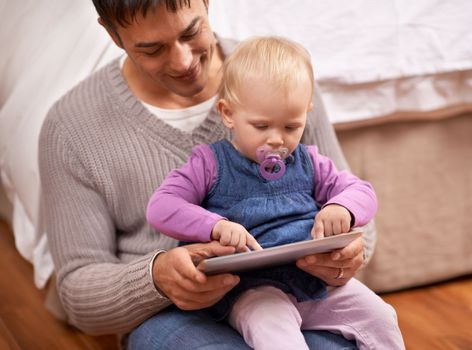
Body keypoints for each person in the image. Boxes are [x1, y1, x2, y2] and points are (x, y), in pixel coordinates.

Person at [38, 1, 378, 348]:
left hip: (301, 287)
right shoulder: (70, 127)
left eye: (191, 32)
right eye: (152, 49)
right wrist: (156, 279)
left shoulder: (285, 78)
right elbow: (79, 295)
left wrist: (346, 251)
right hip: (174, 313)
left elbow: (352, 207)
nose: (183, 62)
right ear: (112, 34)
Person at [146, 36, 404, 350]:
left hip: (316, 284)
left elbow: (362, 191)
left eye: (291, 126)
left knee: (380, 316)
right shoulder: (210, 164)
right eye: (261, 125)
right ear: (228, 113)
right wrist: (214, 226)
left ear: (307, 114)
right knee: (275, 332)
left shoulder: (310, 161)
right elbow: (161, 207)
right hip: (252, 290)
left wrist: (342, 208)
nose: (277, 140)